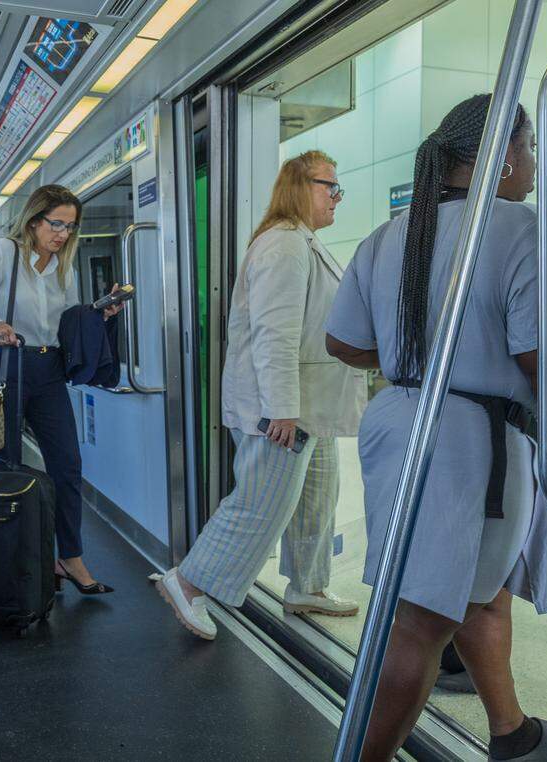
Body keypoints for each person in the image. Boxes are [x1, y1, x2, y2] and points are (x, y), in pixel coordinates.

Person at [323, 94, 547, 761]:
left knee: (482, 591)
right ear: (499, 153)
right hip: (469, 440)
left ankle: (510, 731)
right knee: (419, 623)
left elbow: (345, 343)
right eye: (530, 145)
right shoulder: (517, 228)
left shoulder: (391, 233)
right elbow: (533, 353)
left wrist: (413, 359)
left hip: (403, 417)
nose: (533, 161)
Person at [157, 150, 367, 640]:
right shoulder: (283, 246)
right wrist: (282, 410)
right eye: (329, 185)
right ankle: (188, 582)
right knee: (262, 503)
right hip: (279, 411)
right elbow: (275, 335)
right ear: (299, 186)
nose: (337, 196)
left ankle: (307, 586)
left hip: (308, 406)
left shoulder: (306, 242)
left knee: (317, 498)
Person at [0, 184, 123, 594]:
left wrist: (100, 313)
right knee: (5, 465)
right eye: (56, 224)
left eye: (70, 227)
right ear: (34, 220)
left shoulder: (64, 265)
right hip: (7, 362)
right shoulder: (4, 253)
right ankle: (9, 558)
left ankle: (69, 556)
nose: (62, 234)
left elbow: (68, 322)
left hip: (48, 368)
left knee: (67, 463)